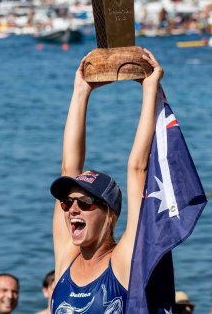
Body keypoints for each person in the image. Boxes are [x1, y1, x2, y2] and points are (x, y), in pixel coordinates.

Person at [50, 48, 163, 313]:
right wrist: (81, 90)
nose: (72, 209)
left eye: (86, 202)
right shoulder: (66, 257)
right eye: (67, 203)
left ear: (109, 214)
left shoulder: (122, 263)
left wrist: (150, 89)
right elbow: (69, 167)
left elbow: (137, 168)